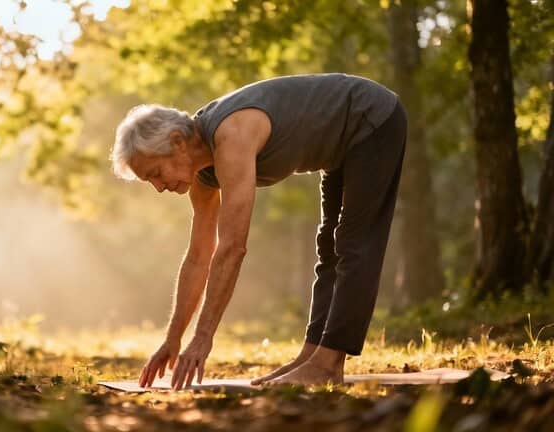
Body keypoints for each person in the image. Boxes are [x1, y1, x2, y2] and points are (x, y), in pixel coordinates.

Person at [110, 73, 406, 390]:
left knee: (353, 244)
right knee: (330, 247)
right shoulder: (202, 172)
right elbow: (199, 257)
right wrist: (173, 339)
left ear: (177, 143)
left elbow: (232, 248)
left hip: (370, 117)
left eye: (155, 173)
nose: (158, 187)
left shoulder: (230, 136)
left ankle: (328, 364)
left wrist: (203, 338)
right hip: (340, 146)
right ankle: (312, 357)